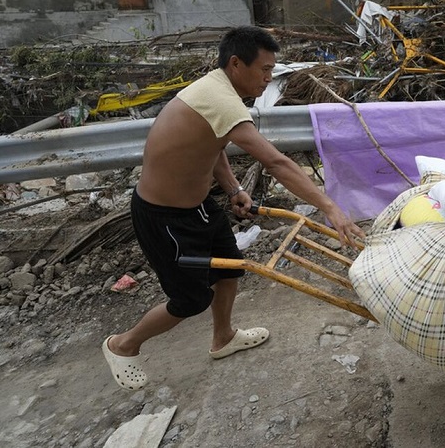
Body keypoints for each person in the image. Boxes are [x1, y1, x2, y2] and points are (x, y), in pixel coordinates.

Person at [101, 26, 365, 390]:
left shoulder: (218, 91)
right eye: (265, 70)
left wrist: (234, 188)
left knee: (230, 273)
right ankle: (123, 344)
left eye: (273, 70)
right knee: (191, 299)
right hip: (164, 217)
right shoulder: (221, 98)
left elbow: (214, 143)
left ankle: (223, 338)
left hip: (198, 207)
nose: (269, 78)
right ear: (236, 63)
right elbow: (277, 163)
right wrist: (330, 208)